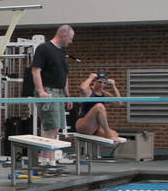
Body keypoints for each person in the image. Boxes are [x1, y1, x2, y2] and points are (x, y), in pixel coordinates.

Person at [27, 25, 75, 165]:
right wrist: (41, 91)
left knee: (56, 127)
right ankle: (46, 160)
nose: (71, 42)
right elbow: (35, 71)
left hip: (59, 92)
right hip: (48, 91)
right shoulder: (44, 48)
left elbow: (64, 77)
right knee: (51, 126)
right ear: (63, 36)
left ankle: (50, 159)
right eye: (70, 39)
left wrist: (68, 96)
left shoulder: (61, 53)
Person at [74, 71, 124, 144]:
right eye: (100, 81)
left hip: (95, 128)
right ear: (95, 81)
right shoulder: (89, 91)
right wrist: (90, 78)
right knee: (99, 106)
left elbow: (119, 103)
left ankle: (108, 135)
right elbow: (83, 88)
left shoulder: (104, 94)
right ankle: (108, 134)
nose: (102, 84)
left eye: (104, 82)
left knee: (115, 134)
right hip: (83, 125)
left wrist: (114, 86)